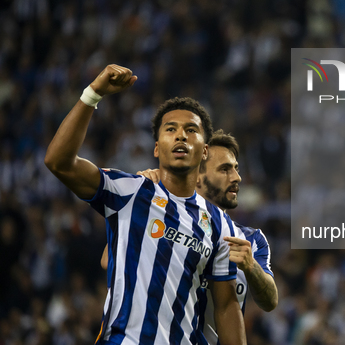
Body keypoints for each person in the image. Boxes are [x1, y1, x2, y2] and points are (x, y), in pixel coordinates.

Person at [45, 65, 246, 345]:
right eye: (171, 129)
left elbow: (226, 306)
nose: (181, 136)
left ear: (205, 151)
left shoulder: (219, 224)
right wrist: (94, 93)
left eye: (191, 130)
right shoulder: (130, 190)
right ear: (156, 148)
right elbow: (59, 162)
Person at [103, 130, 278, 344]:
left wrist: (251, 267)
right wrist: (136, 207)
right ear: (196, 178)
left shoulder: (251, 239)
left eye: (236, 168)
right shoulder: (162, 218)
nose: (236, 177)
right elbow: (107, 261)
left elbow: (270, 301)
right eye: (224, 170)